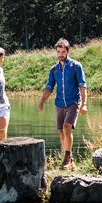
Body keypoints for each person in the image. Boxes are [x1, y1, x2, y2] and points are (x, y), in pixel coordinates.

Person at [37, 38, 87, 170]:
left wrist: (84, 104)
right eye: (58, 52)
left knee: (66, 127)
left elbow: (82, 86)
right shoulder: (54, 70)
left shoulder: (76, 66)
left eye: (63, 52)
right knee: (61, 132)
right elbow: (49, 87)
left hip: (73, 102)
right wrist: (42, 102)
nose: (60, 54)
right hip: (59, 103)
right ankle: (69, 160)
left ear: (67, 52)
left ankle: (66, 158)